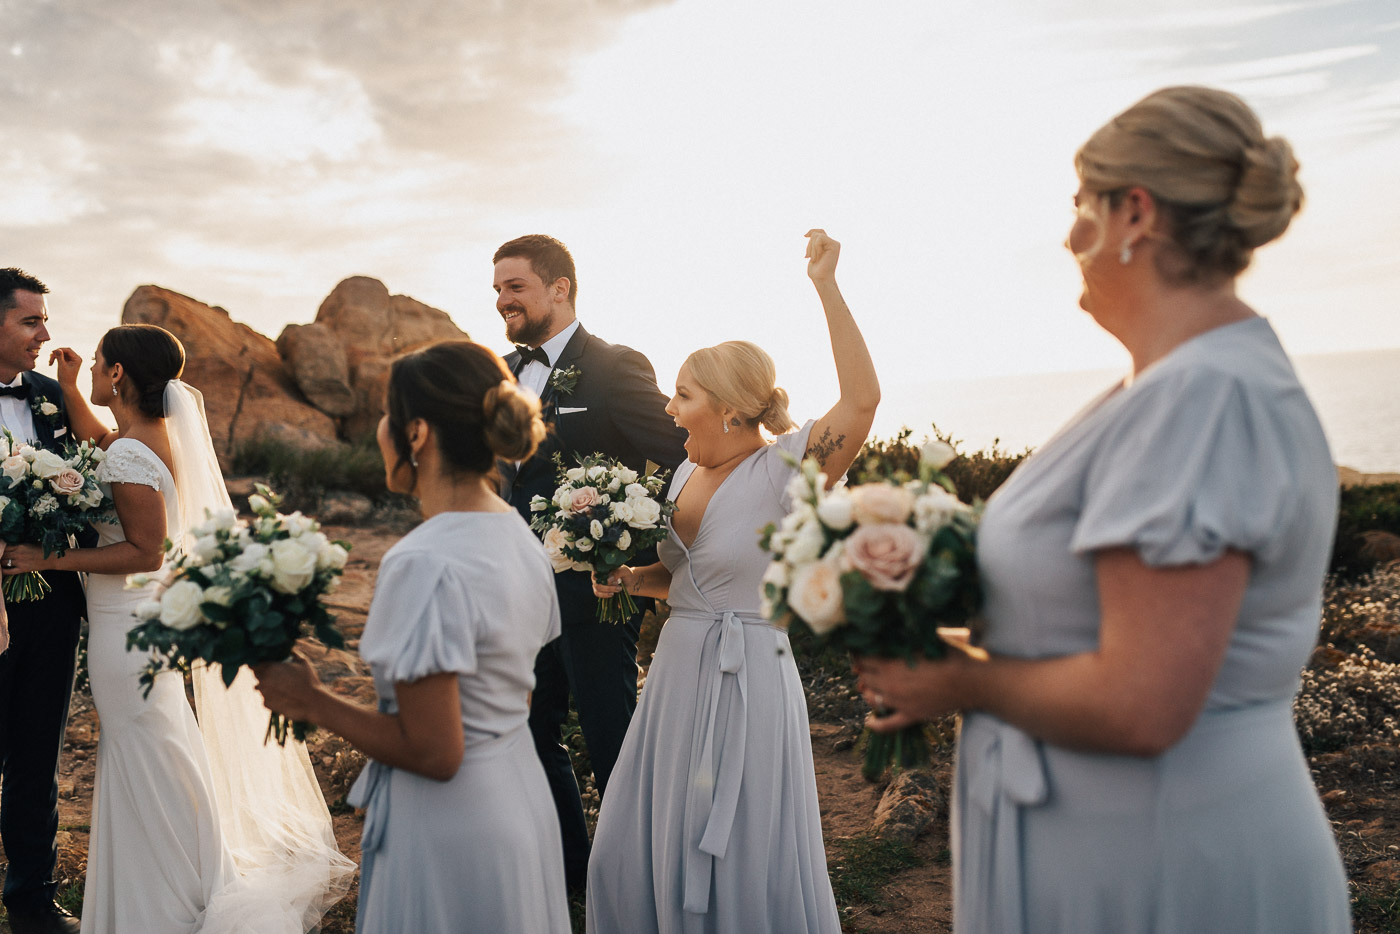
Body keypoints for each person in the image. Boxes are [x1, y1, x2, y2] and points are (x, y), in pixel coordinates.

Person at [854, 86, 1351, 934]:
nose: (1068, 234)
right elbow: (1093, 626)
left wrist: (959, 681)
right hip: (1118, 836)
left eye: (1081, 204)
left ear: (1135, 214)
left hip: (1165, 858)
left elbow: (1142, 701)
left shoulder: (1201, 401)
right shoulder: (1173, 386)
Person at [5, 324, 353, 933]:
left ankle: (169, 896)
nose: (88, 367)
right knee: (156, 745)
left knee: (147, 749)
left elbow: (147, 552)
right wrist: (69, 390)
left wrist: (49, 558)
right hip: (138, 622)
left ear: (119, 375)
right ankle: (176, 878)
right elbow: (106, 445)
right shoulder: (143, 438)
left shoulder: (131, 450)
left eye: (97, 363)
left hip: (127, 623)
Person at [585, 229, 878, 933]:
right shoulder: (682, 472)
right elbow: (683, 582)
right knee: (632, 843)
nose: (668, 409)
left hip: (746, 673)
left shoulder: (786, 468)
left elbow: (862, 400)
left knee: (736, 843)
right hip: (678, 671)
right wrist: (629, 578)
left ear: (725, 405)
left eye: (681, 395)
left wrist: (826, 286)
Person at [253, 340, 571, 934]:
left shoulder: (423, 561)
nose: (381, 430)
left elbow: (435, 754)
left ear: (417, 433)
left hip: (451, 826)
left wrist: (308, 699)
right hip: (518, 799)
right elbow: (516, 698)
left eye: (386, 416)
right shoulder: (520, 538)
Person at [494, 234, 688, 889]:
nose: (502, 300)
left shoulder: (613, 366)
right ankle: (575, 878)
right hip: (526, 592)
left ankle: (645, 878)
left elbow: (675, 455)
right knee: (533, 729)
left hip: (599, 590)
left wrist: (625, 530)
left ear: (560, 288)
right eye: (497, 289)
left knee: (613, 740)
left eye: (514, 286)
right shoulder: (505, 370)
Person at [0, 269, 85, 934]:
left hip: (51, 599)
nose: (45, 334)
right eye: (31, 322)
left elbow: (91, 482)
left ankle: (32, 896)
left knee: (37, 753)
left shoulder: (53, 397)